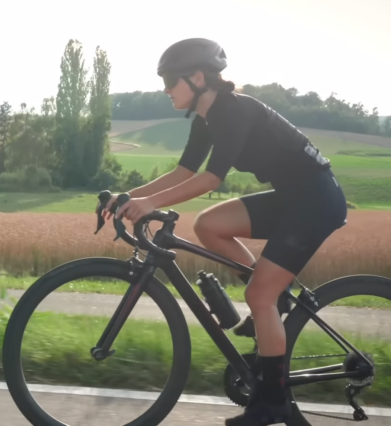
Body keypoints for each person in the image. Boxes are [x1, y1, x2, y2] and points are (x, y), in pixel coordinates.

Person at [102, 38, 348, 425]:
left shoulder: (233, 111)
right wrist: (129, 196)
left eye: (170, 80)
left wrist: (151, 205)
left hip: (316, 201)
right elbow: (184, 172)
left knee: (258, 295)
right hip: (292, 197)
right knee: (208, 225)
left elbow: (211, 179)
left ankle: (273, 402)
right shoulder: (206, 117)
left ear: (198, 78)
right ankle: (275, 300)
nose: (165, 89)